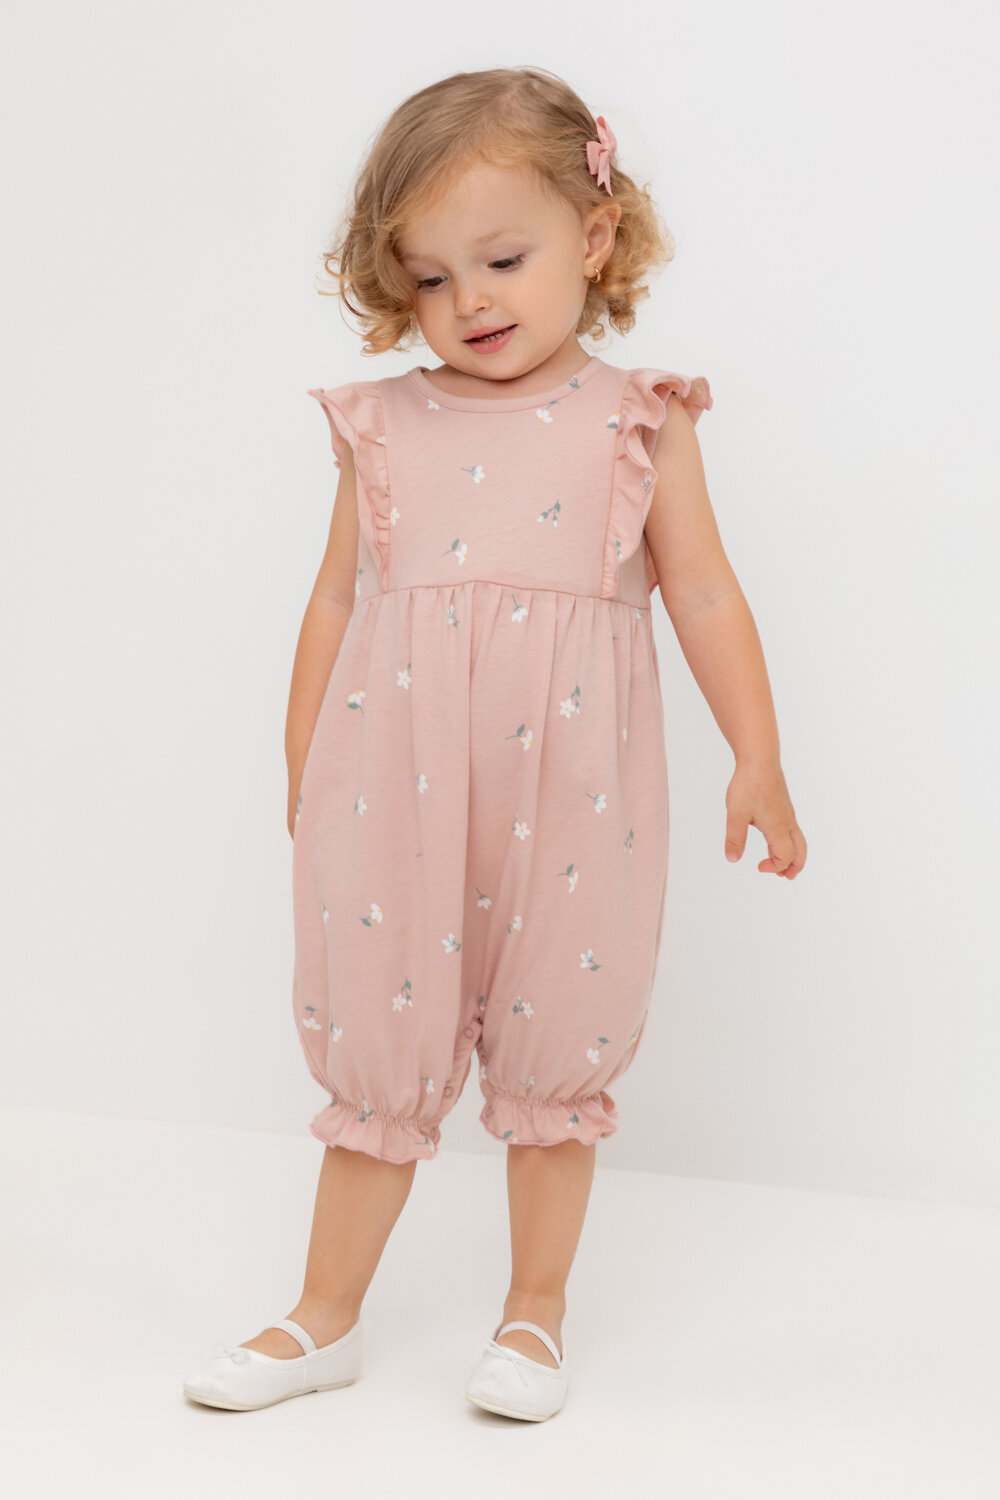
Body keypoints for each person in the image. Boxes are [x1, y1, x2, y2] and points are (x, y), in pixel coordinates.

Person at [182, 66, 807, 1422]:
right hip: (393, 789)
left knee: (557, 1041)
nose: (468, 300)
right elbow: (336, 599)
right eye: (429, 277)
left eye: (503, 260)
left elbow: (704, 593)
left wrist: (756, 755)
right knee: (378, 1030)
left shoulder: (641, 421)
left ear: (595, 236)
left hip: (578, 794)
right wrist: (304, 760)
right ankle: (324, 1316)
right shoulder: (382, 427)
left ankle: (534, 1316)